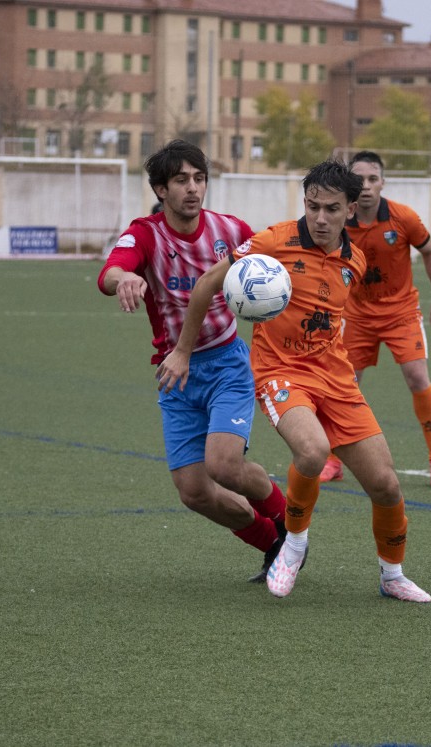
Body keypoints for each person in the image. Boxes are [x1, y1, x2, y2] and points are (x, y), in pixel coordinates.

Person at [160, 160, 431, 603]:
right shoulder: (272, 241)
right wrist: (184, 350)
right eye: (312, 207)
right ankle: (293, 543)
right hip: (280, 372)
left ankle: (391, 575)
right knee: (312, 450)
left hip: (337, 378)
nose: (320, 218)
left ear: (350, 210)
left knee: (386, 485)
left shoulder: (355, 259)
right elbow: (209, 283)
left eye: (331, 209)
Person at [97, 140, 288, 583]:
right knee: (195, 492)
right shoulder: (145, 234)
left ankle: (290, 527)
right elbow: (111, 271)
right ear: (161, 189)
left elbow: (276, 265)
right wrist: (124, 276)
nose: (193, 189)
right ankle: (273, 545)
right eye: (181, 180)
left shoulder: (232, 230)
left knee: (224, 466)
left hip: (226, 363)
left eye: (199, 179)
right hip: (175, 375)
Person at [317, 151, 431, 489]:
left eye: (372, 179)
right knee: (344, 385)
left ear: (383, 182)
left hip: (401, 312)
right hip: (356, 315)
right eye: (358, 179)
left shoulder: (403, 218)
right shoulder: (336, 220)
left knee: (417, 376)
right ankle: (333, 461)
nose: (365, 186)